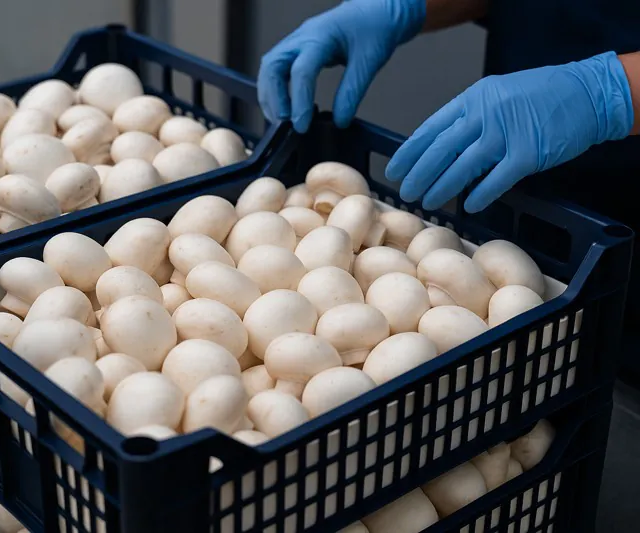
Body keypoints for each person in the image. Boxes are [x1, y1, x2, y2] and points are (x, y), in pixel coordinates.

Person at [258, 0, 640, 378]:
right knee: (509, 335)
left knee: (595, 361)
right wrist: (407, 7)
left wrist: (609, 93)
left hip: (625, 210)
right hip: (512, 191)